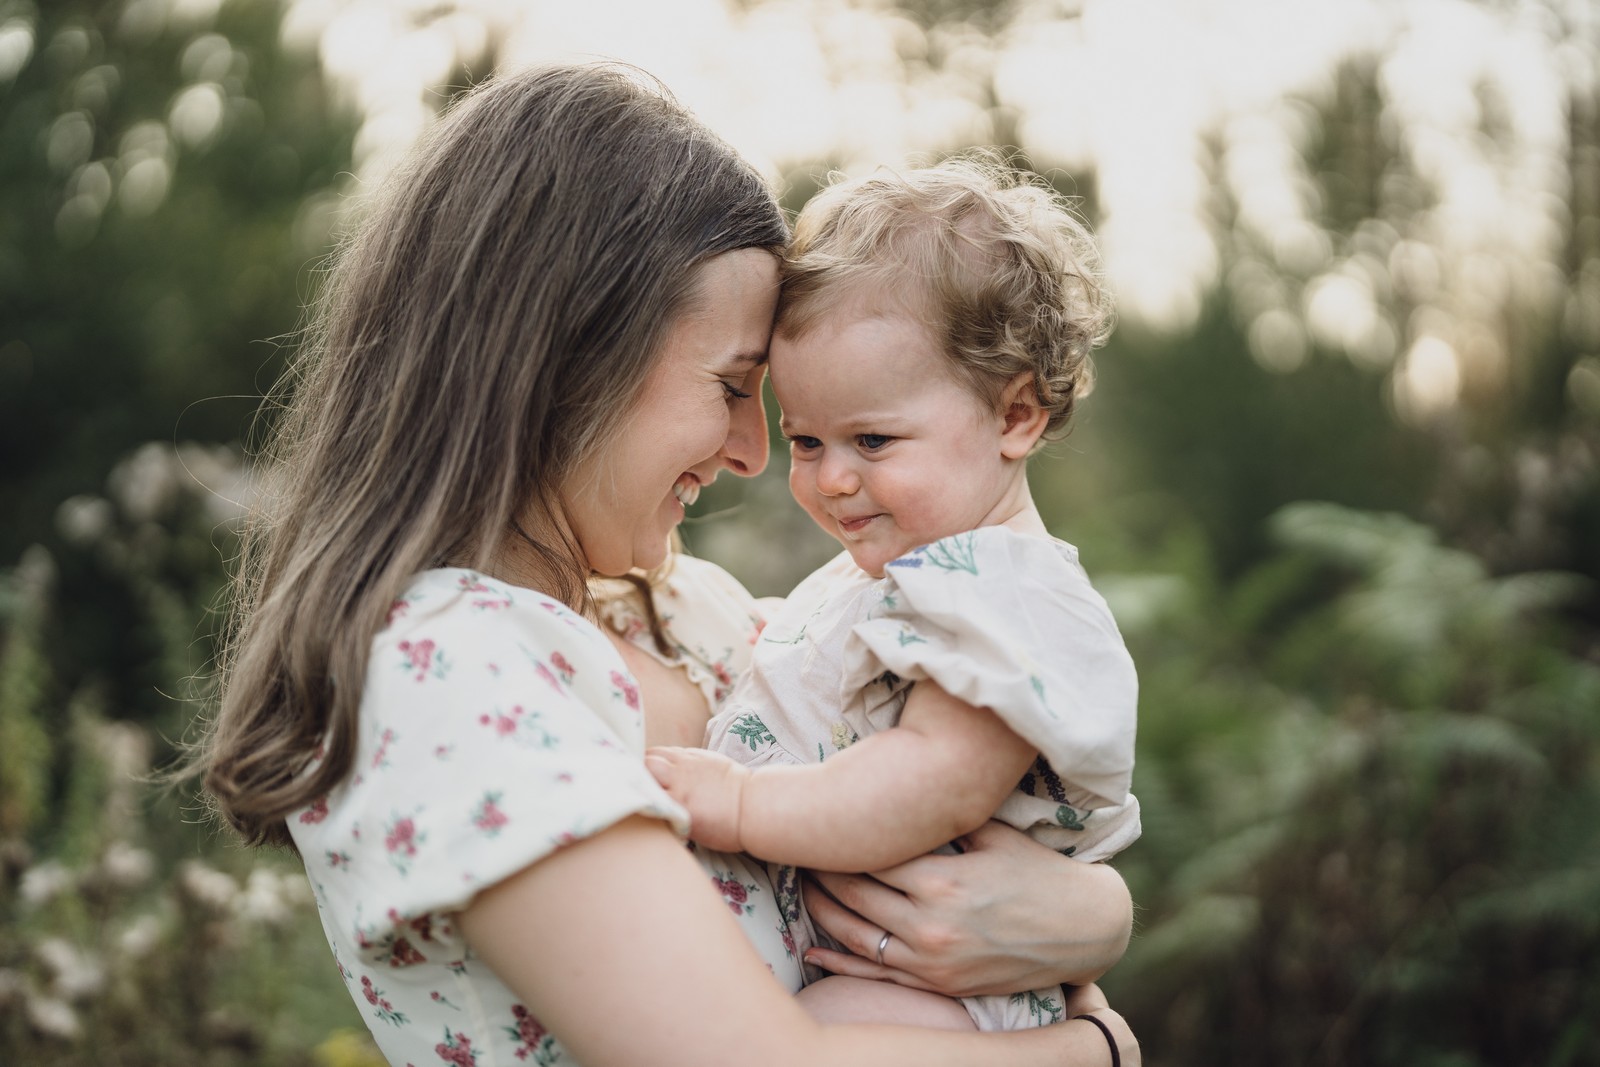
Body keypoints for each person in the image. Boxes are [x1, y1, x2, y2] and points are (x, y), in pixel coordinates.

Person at [197, 63, 1138, 1067]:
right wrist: (1098, 1047)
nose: (752, 453)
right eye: (735, 386)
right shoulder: (444, 669)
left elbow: (969, 805)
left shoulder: (691, 611)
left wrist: (1095, 912)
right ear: (566, 357)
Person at [645, 157, 1140, 1034]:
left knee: (811, 1040)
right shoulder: (912, 574)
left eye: (872, 439)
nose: (833, 478)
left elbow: (932, 783)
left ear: (1015, 415)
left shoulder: (1004, 596)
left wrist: (742, 803)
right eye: (804, 440)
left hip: (938, 991)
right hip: (905, 963)